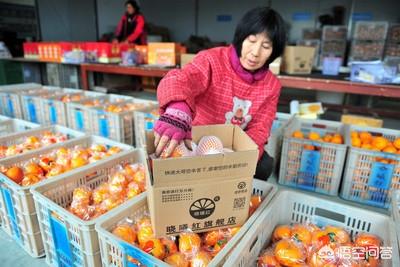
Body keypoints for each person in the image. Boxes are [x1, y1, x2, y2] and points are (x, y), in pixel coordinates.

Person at [153, 7, 286, 180]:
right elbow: (181, 79)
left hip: (230, 148)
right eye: (251, 41)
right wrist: (178, 109)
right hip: (193, 141)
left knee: (264, 165)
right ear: (241, 37)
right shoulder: (212, 60)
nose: (255, 52)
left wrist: (240, 159)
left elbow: (260, 129)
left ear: (273, 52)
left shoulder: (272, 85)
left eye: (266, 46)